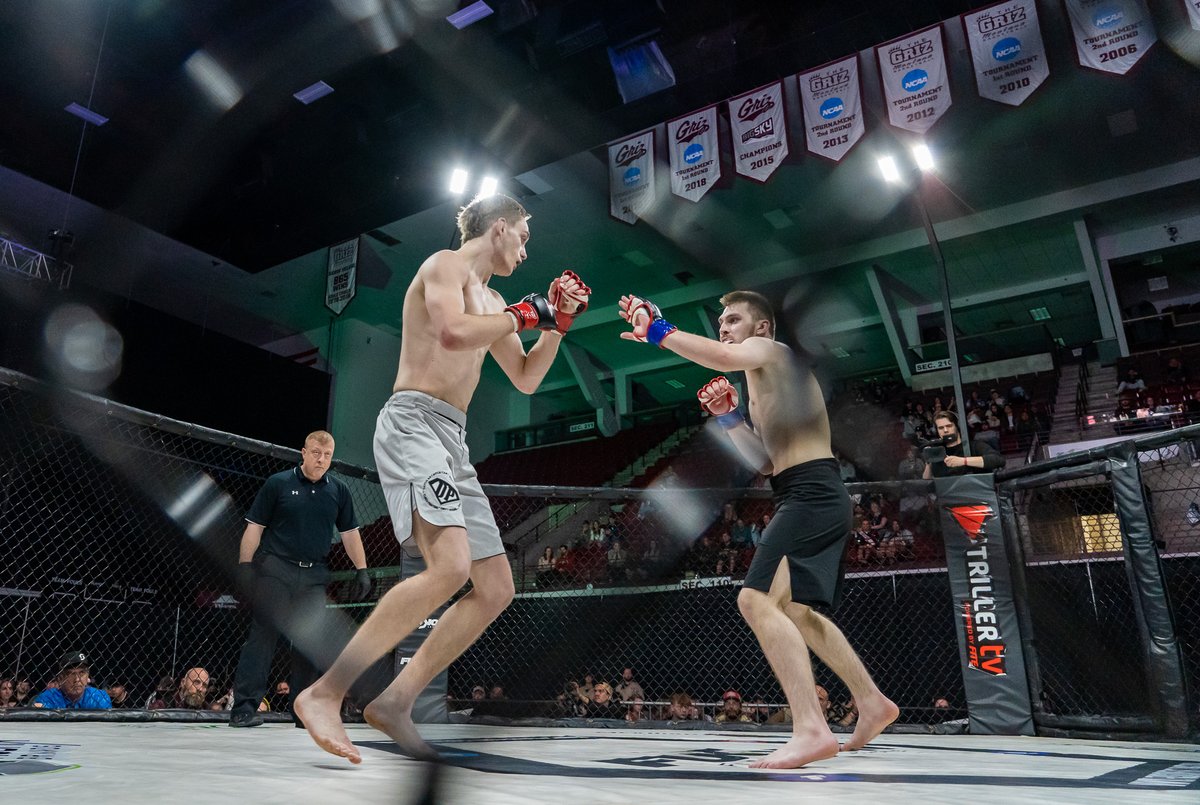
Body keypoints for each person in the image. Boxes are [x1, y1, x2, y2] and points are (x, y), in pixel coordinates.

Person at [294, 194, 591, 764]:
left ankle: (397, 701)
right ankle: (325, 692)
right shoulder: (443, 265)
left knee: (497, 587)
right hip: (413, 421)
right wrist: (526, 315)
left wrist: (555, 323)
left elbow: (526, 378)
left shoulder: (499, 301)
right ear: (499, 228)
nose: (526, 251)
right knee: (450, 566)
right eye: (523, 237)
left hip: (454, 440)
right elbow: (453, 334)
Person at [619, 289, 897, 768]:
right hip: (804, 491)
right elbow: (767, 463)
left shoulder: (773, 351)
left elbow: (723, 356)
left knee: (754, 599)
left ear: (761, 328)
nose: (723, 327)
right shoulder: (759, 381)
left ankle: (811, 726)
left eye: (733, 319)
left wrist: (659, 331)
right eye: (721, 322)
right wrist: (729, 419)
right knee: (799, 613)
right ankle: (872, 702)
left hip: (812, 493)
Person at [229, 430, 372, 729]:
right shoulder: (278, 483)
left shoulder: (339, 491)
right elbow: (255, 527)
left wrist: (362, 569)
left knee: (310, 644)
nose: (321, 460)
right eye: (316, 453)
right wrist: (244, 565)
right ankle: (243, 708)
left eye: (327, 455)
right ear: (304, 452)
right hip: (276, 570)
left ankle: (301, 710)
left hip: (313, 575)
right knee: (263, 636)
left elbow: (349, 534)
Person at [922, 411, 1006, 478]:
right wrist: (928, 463)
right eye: (940, 428)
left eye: (949, 426)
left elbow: (998, 460)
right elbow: (927, 482)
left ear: (957, 426)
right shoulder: (938, 452)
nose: (945, 430)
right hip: (948, 496)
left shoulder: (974, 446)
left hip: (975, 495)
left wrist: (963, 461)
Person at [32, 651, 111, 710]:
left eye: (82, 673)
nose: (77, 679)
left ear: (88, 677)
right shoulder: (49, 698)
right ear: (60, 679)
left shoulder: (98, 697)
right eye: (71, 674)